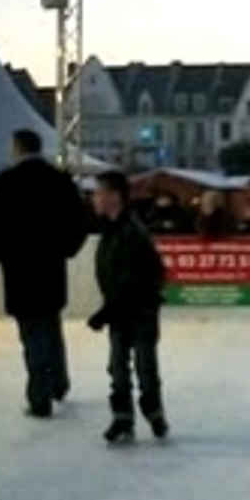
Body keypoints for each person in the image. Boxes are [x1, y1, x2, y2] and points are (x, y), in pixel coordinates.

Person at [0, 129, 88, 418]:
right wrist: (66, 249)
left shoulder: (7, 182)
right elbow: (79, 220)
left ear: (17, 148)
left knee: (31, 333)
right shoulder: (59, 180)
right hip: (50, 266)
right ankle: (59, 383)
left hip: (19, 268)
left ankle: (40, 396)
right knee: (50, 325)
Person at [87, 172, 169, 444]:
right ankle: (122, 417)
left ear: (114, 196)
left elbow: (135, 278)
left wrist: (106, 311)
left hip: (140, 310)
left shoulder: (132, 232)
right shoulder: (110, 229)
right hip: (119, 310)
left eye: (98, 192)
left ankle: (154, 413)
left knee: (145, 366)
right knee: (117, 367)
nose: (94, 198)